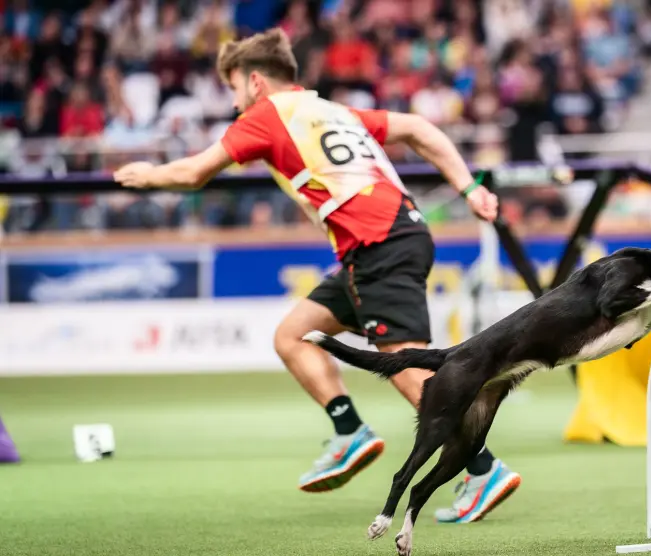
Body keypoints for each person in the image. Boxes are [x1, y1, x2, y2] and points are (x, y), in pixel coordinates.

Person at [112, 28, 521, 524]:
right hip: (377, 246)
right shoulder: (333, 110)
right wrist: (468, 185)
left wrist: (140, 175)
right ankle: (350, 432)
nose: (236, 100)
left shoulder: (264, 115)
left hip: (380, 246)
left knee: (406, 369)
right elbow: (419, 129)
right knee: (294, 336)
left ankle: (482, 468)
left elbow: (195, 173)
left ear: (256, 82)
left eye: (235, 88)